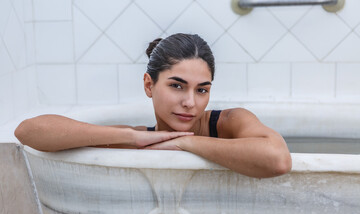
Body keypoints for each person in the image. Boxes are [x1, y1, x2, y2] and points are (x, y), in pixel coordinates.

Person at [14, 33, 291, 178]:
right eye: (176, 85)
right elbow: (28, 131)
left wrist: (184, 143)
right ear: (149, 85)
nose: (190, 102)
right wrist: (133, 137)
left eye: (202, 90)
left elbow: (278, 160)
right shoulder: (140, 138)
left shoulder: (230, 123)